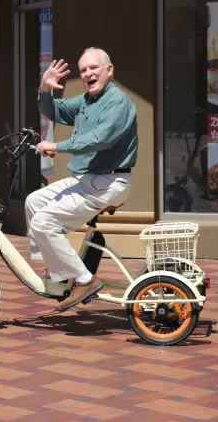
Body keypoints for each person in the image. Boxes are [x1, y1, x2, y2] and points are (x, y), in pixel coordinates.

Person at [26, 47, 138, 311]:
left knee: (44, 222)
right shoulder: (88, 100)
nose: (88, 73)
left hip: (107, 183)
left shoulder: (117, 102)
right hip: (85, 179)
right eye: (83, 70)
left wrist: (58, 146)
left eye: (93, 68)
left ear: (109, 70)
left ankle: (85, 279)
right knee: (33, 202)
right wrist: (44, 88)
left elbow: (101, 139)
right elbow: (54, 110)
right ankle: (59, 275)